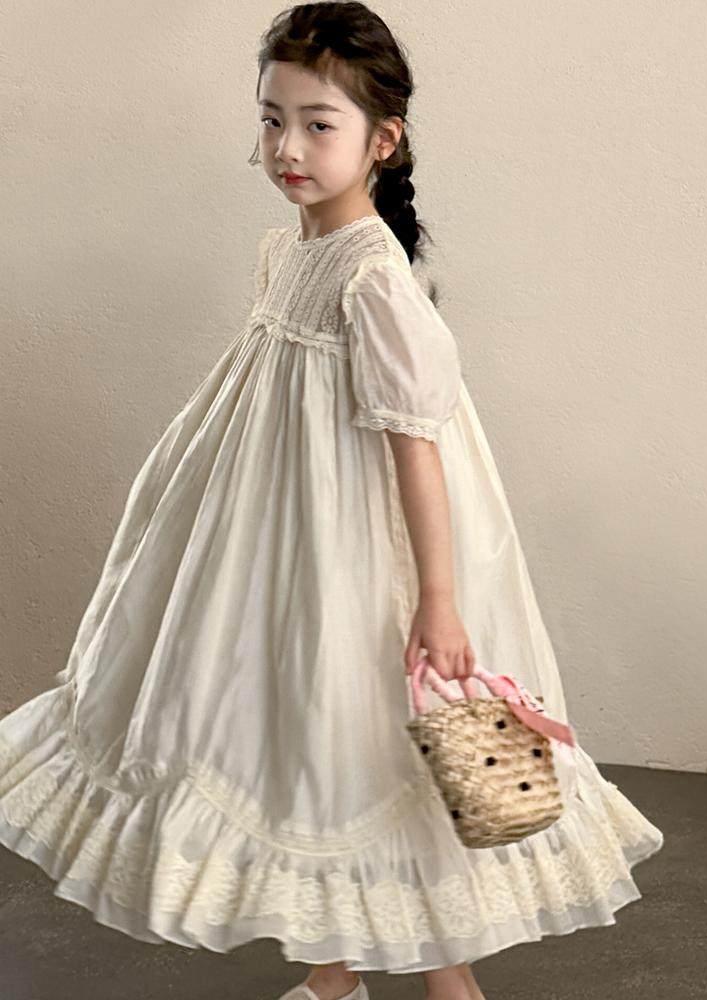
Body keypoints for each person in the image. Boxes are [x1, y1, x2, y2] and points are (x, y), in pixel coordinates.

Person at [0, 3, 665, 999]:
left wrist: (437, 600)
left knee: (369, 745)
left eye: (319, 124)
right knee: (307, 742)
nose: (287, 148)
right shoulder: (291, 254)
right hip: (277, 534)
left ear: (381, 140)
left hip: (358, 546)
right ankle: (336, 974)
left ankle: (441, 983)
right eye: (273, 120)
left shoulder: (373, 283)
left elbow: (418, 452)